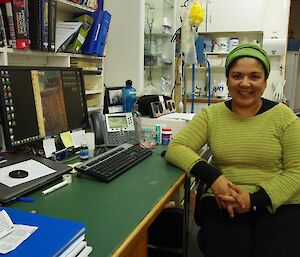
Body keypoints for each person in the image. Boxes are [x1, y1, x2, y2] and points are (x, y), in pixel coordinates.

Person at [165, 44, 300, 257]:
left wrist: (253, 201)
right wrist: (215, 178)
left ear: (265, 83)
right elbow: (176, 147)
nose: (245, 83)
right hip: (223, 201)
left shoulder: (284, 117)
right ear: (228, 81)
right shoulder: (211, 116)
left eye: (254, 76)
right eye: (237, 76)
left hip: (277, 202)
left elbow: (296, 171)